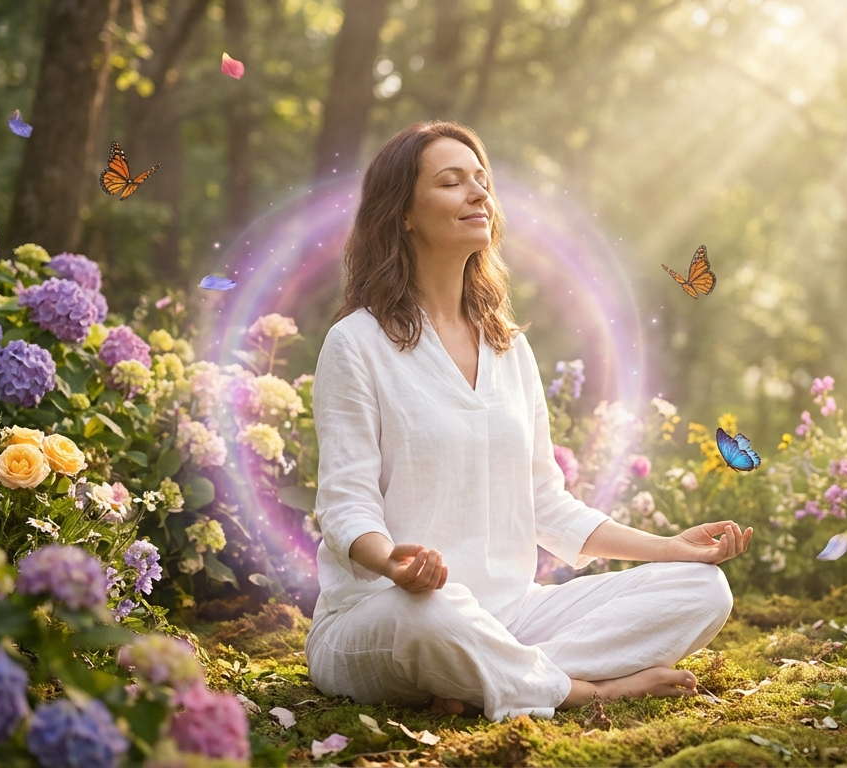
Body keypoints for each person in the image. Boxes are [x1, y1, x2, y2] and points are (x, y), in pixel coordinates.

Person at [304, 121, 753, 722]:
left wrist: (667, 548)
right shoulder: (355, 343)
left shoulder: (508, 347)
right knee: (434, 618)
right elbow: (345, 505)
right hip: (388, 613)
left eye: (482, 181)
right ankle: (581, 690)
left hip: (514, 613)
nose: (478, 194)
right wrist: (392, 563)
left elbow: (548, 504)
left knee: (700, 589)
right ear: (403, 214)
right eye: (451, 181)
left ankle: (490, 677)